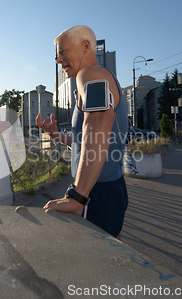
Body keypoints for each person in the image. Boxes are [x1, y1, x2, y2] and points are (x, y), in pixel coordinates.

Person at [36, 25, 128, 239]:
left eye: (63, 52)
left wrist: (78, 196)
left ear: (85, 46)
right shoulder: (99, 79)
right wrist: (57, 135)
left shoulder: (90, 74)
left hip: (97, 191)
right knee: (110, 253)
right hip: (108, 189)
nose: (58, 60)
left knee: (95, 261)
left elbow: (101, 121)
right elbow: (88, 139)